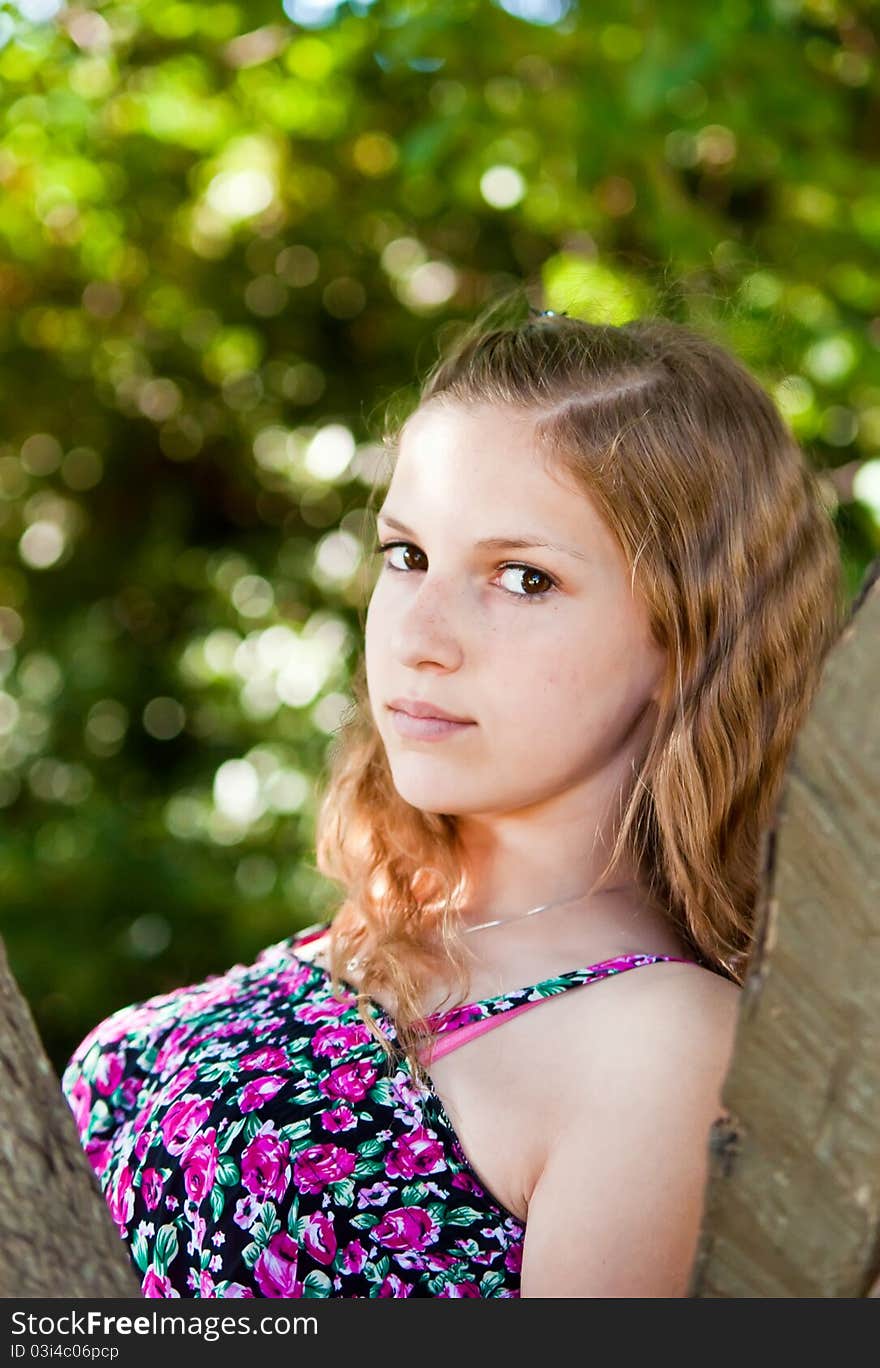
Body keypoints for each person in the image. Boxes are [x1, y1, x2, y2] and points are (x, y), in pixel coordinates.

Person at [61, 299, 845, 1298]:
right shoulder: (387, 929)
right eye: (407, 556)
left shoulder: (662, 1047)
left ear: (689, 640)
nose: (421, 633)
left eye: (523, 578)